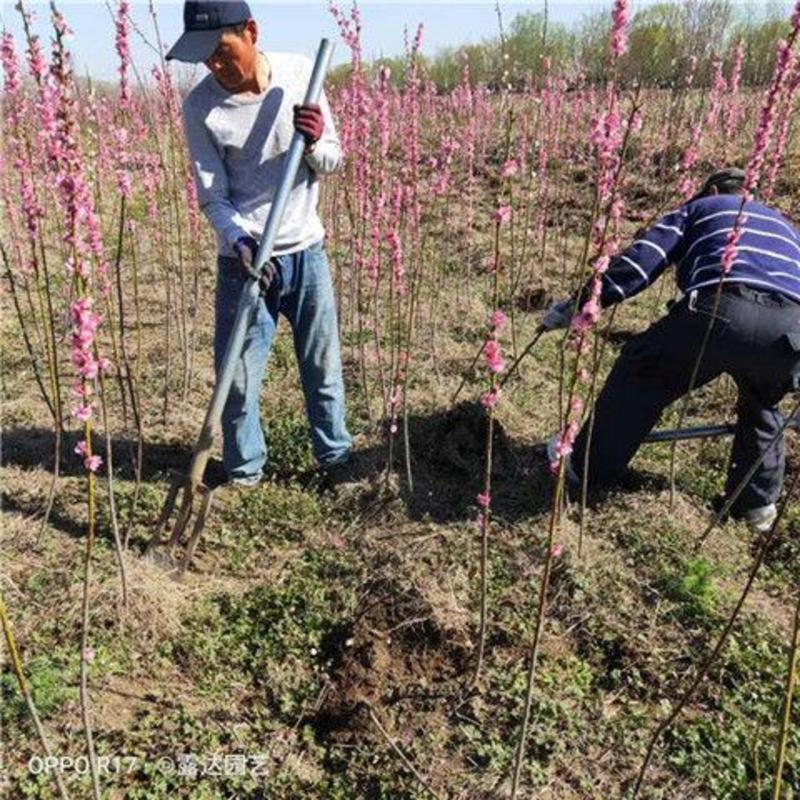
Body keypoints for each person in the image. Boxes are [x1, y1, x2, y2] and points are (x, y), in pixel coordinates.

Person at [542, 167, 800, 532]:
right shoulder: (787, 227)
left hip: (721, 309)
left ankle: (586, 468)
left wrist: (579, 305)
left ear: (710, 189)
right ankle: (756, 505)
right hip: (791, 328)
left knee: (642, 373)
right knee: (763, 401)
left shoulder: (701, 209)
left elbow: (641, 262)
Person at [168, 0, 352, 486]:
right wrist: (239, 239)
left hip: (306, 252)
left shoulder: (301, 77)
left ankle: (336, 461)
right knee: (240, 378)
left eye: (223, 51)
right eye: (205, 57)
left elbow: (333, 160)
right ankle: (245, 473)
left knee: (322, 366)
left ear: (250, 31)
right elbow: (213, 198)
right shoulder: (200, 107)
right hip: (246, 260)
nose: (215, 65)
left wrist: (314, 144)